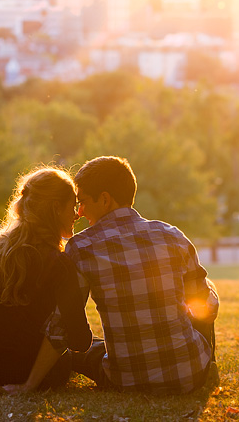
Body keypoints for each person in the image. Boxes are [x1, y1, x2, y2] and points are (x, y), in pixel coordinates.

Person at [51, 155, 219, 395]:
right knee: (204, 291)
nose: (80, 212)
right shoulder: (172, 236)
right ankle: (207, 365)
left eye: (84, 201)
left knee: (85, 352)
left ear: (105, 199)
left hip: (126, 380)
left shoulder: (81, 247)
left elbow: (61, 324)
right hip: (189, 374)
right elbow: (209, 307)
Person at [0, 167, 92, 391]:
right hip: (40, 375)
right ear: (56, 208)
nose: (76, 214)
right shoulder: (59, 263)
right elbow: (79, 340)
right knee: (94, 352)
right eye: (72, 206)